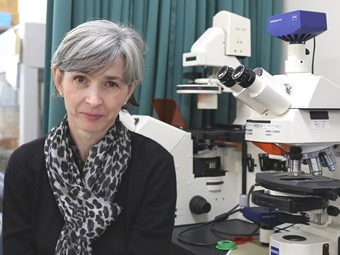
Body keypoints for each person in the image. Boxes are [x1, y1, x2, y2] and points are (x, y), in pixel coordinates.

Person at [2, 20, 177, 255]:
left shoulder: (155, 165)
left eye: (111, 84)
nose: (94, 100)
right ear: (58, 80)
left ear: (129, 91)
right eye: (81, 79)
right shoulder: (25, 164)